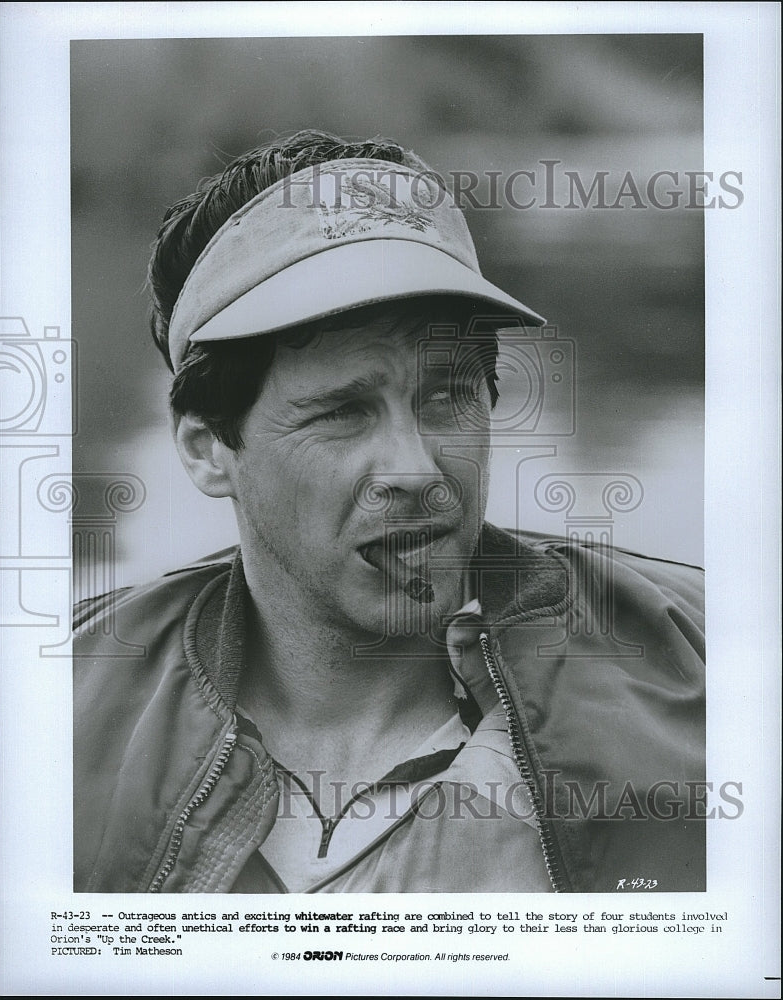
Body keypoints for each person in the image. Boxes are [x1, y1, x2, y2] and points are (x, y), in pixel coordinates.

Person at [73, 130, 705, 894]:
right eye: (342, 411)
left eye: (447, 397)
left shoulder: (700, 672)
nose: (415, 469)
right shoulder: (58, 719)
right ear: (209, 449)